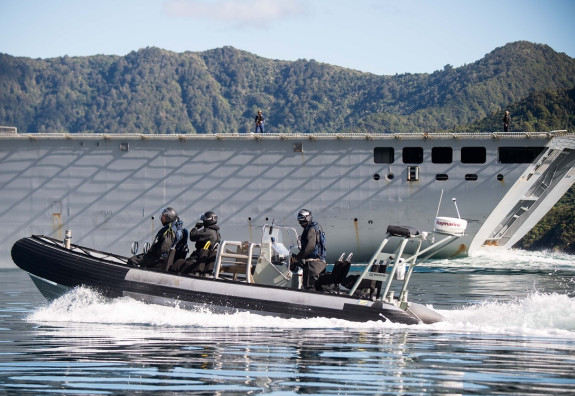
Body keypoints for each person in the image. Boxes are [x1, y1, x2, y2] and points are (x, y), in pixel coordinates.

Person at [170, 211, 221, 275]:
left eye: (204, 220)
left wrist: (196, 227)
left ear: (208, 220)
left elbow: (192, 236)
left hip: (196, 260)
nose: (203, 221)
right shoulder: (217, 234)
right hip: (203, 261)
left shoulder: (208, 232)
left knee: (178, 263)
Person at [291, 209, 327, 289]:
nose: (300, 222)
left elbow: (310, 247)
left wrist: (297, 258)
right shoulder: (317, 227)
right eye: (299, 220)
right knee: (318, 287)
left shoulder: (311, 229)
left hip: (312, 265)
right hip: (320, 263)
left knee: (309, 287)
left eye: (301, 219)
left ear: (308, 218)